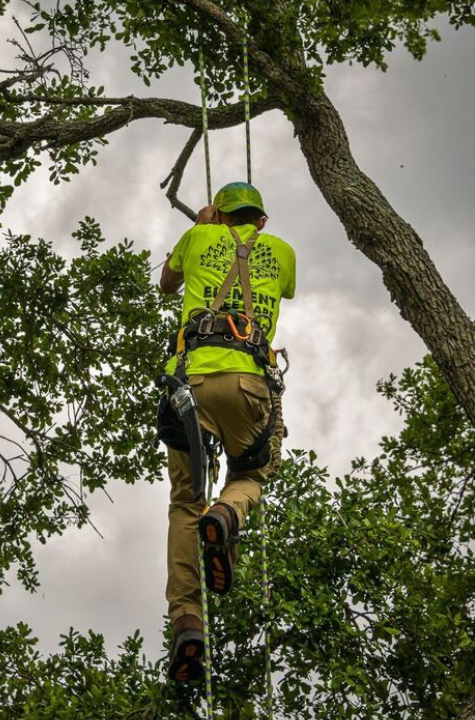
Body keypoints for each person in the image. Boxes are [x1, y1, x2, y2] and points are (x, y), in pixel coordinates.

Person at [157, 182, 295, 683]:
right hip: (247, 383)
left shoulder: (198, 235)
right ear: (259, 219)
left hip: (188, 384)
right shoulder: (280, 251)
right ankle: (229, 512)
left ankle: (187, 620)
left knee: (182, 504)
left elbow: (166, 284)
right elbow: (279, 287)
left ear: (219, 212)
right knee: (255, 471)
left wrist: (202, 227)